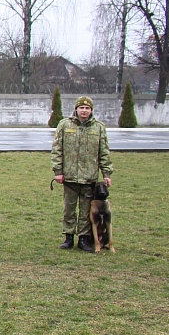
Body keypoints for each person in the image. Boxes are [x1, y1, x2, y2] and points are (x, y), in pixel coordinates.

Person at [52, 95, 113, 251]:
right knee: (69, 209)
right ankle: (68, 237)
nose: (84, 111)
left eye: (87, 108)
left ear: (91, 110)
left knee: (86, 211)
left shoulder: (98, 128)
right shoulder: (65, 125)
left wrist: (106, 174)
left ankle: (84, 239)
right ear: (76, 109)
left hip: (89, 178)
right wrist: (58, 171)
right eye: (81, 108)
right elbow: (57, 149)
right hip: (69, 176)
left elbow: (104, 152)